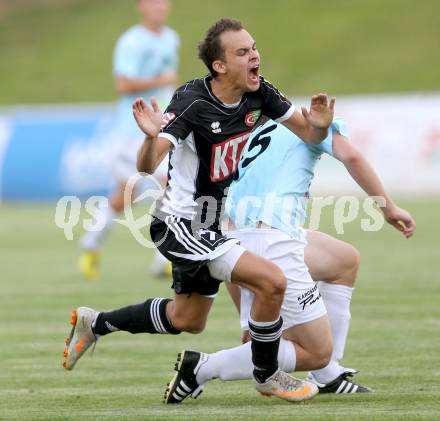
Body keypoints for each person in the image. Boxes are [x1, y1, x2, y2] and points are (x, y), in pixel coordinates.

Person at [63, 18, 335, 403]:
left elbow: (309, 133)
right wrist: (149, 136)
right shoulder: (191, 101)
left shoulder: (261, 94)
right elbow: (146, 166)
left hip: (209, 223)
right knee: (272, 281)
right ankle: (267, 374)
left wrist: (320, 128)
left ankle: (96, 323)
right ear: (220, 65)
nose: (254, 55)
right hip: (180, 222)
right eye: (242, 52)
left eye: (253, 47)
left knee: (187, 320)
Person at [166, 117, 416, 401]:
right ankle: (201, 368)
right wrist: (388, 207)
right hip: (268, 242)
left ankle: (327, 374)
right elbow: (352, 156)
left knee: (344, 260)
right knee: (302, 351)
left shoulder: (256, 130)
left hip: (233, 237)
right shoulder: (313, 124)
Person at [78, 0, 179, 280]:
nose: (160, 7)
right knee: (160, 188)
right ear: (141, 6)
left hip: (158, 128)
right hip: (130, 131)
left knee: (141, 192)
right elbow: (123, 85)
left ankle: (92, 243)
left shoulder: (171, 37)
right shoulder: (131, 42)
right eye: (154, 2)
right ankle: (164, 258)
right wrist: (160, 79)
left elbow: (167, 85)